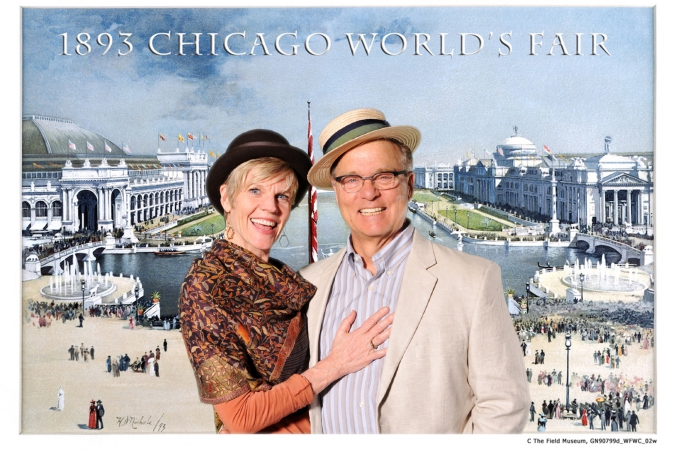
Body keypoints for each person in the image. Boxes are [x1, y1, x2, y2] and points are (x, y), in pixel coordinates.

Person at [300, 108, 530, 433]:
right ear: (336, 191)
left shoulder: (474, 280)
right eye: (351, 180)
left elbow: (505, 407)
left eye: (384, 176)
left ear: (409, 184)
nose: (369, 193)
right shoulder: (309, 284)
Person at [180, 129, 394, 434]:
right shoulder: (205, 288)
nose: (271, 207)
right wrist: (335, 364)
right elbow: (240, 418)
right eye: (255, 190)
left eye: (282, 196)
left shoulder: (281, 275)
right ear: (227, 198)